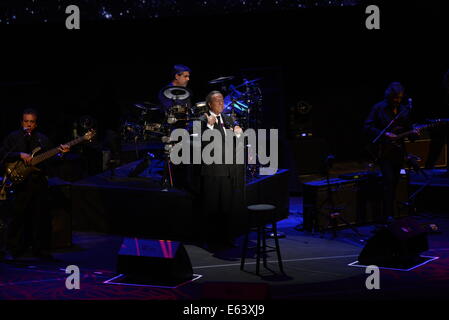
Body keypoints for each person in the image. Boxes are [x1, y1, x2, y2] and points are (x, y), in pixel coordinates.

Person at [0, 109, 70, 260]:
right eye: (26, 121)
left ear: (36, 124)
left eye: (31, 122)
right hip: (20, 185)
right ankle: (14, 249)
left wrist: (61, 153)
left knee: (41, 216)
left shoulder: (42, 139)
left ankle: (41, 249)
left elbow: (53, 161)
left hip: (38, 182)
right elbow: (3, 154)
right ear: (21, 122)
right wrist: (19, 154)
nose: (29, 125)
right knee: (18, 216)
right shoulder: (14, 138)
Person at [198, 91, 246, 251]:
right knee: (211, 206)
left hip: (229, 169)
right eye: (217, 101)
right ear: (210, 104)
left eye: (222, 100)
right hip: (213, 170)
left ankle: (226, 237)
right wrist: (210, 126)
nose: (221, 103)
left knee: (227, 205)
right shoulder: (202, 119)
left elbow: (236, 139)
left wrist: (239, 131)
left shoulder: (229, 118)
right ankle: (210, 240)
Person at [364, 82, 415, 224]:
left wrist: (413, 134)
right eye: (394, 98)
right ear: (389, 96)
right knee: (388, 181)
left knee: (395, 183)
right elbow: (367, 126)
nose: (397, 101)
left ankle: (391, 214)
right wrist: (384, 133)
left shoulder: (404, 110)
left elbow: (409, 129)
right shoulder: (378, 108)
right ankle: (386, 216)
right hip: (383, 151)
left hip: (398, 152)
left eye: (399, 98)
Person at [425, 69, 449, 172]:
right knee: (435, 149)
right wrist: (435, 120)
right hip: (440, 127)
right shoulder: (441, 92)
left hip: (444, 124)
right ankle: (428, 171)